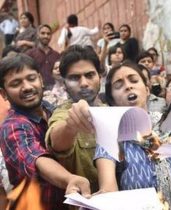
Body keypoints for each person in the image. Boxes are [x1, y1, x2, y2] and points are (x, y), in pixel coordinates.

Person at [94, 61, 171, 210]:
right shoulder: (110, 140)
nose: (128, 86)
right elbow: (109, 192)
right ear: (112, 99)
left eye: (134, 80)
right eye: (119, 85)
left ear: (147, 89)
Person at [0, 54, 91, 210]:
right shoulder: (12, 127)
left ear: (41, 80)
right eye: (16, 83)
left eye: (31, 78)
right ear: (3, 93)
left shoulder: (54, 110)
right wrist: (69, 179)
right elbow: (34, 157)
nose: (27, 87)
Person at [45, 45, 103, 194]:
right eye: (74, 78)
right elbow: (56, 141)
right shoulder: (63, 113)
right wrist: (71, 126)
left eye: (90, 75)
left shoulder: (113, 109)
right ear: (64, 84)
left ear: (100, 76)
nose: (84, 83)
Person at [26, 24, 60, 90]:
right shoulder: (29, 54)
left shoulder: (57, 55)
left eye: (48, 34)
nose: (46, 36)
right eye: (43, 33)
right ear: (38, 35)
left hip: (55, 89)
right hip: (38, 89)